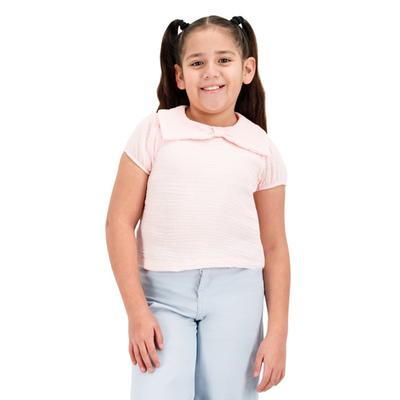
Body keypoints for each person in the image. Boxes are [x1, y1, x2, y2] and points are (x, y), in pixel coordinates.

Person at [105, 14, 290, 400]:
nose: (211, 72)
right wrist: (136, 313)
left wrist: (278, 333)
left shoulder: (261, 148)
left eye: (223, 60)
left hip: (237, 296)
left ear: (247, 69)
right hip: (162, 296)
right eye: (197, 62)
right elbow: (119, 222)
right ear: (179, 75)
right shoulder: (156, 131)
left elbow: (274, 246)